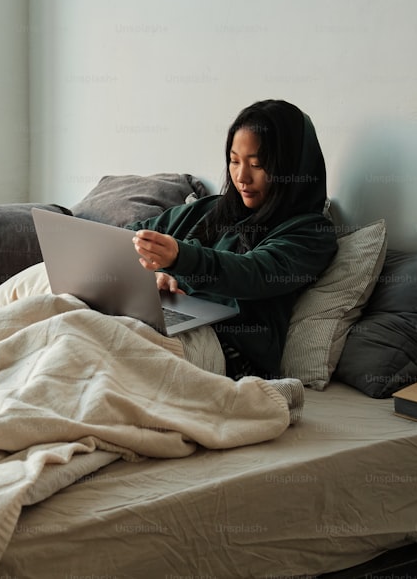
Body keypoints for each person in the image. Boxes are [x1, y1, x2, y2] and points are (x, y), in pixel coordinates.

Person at [130, 99, 337, 380]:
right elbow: (130, 236)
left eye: (258, 164)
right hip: (164, 320)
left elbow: (254, 272)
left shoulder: (311, 233)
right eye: (234, 161)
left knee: (84, 338)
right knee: (67, 317)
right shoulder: (210, 210)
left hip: (228, 350)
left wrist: (181, 257)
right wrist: (158, 275)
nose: (242, 177)